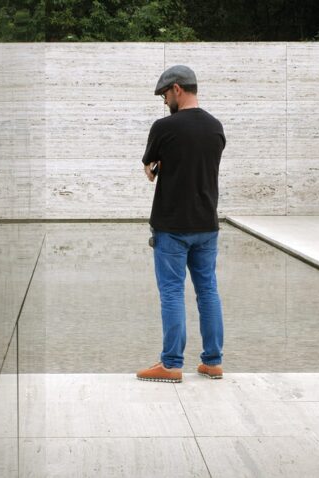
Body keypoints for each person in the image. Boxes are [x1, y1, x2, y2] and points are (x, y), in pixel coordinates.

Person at [137, 65, 226, 383]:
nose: (163, 101)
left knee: (172, 292)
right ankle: (212, 362)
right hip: (206, 223)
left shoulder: (164, 128)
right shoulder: (216, 127)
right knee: (208, 290)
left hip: (172, 225)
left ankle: (172, 364)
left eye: (164, 94)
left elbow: (150, 169)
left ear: (177, 89)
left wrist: (155, 169)